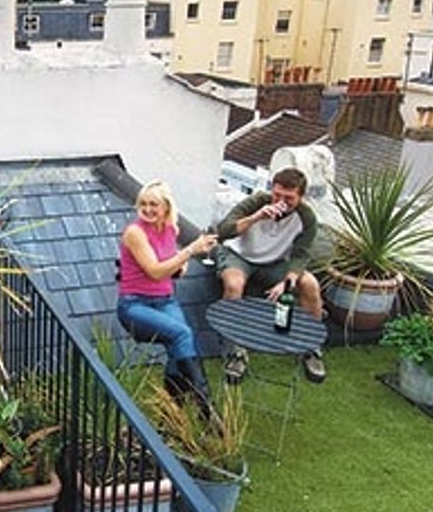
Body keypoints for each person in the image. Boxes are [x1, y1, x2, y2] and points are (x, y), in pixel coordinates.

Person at [213, 167, 326, 384]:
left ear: (300, 197)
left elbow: (301, 254)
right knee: (234, 284)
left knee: (310, 284)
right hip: (240, 255)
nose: (280, 200)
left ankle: (311, 348)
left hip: (274, 262)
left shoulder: (306, 217)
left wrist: (287, 281)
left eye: (288, 197)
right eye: (277, 194)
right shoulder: (256, 203)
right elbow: (223, 230)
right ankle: (235, 351)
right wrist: (255, 217)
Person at [116, 181, 219, 415]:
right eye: (143, 203)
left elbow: (172, 266)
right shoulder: (135, 232)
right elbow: (154, 271)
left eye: (154, 204)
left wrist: (180, 266)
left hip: (165, 300)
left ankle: (173, 410)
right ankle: (207, 407)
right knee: (182, 333)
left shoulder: (171, 229)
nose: (148, 209)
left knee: (181, 343)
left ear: (165, 207)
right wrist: (190, 251)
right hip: (134, 305)